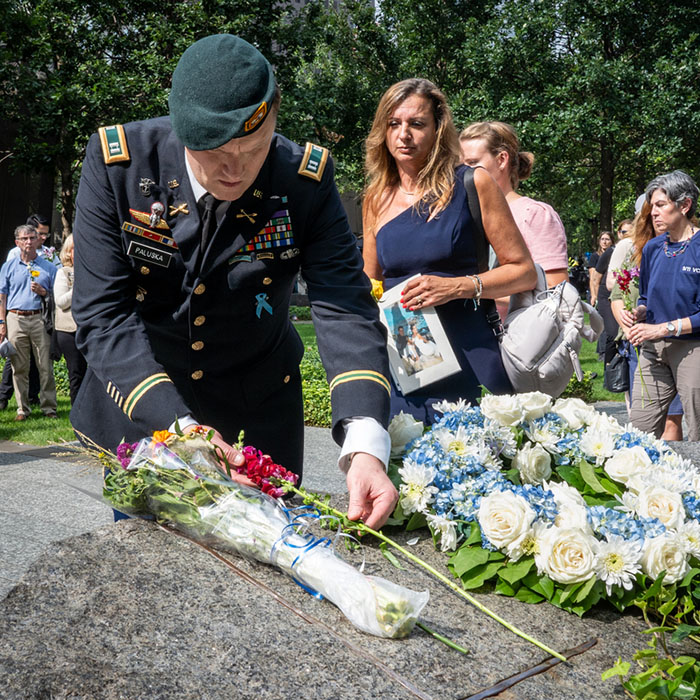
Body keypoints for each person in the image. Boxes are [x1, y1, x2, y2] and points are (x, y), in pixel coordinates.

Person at [71, 34, 396, 530]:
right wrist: (179, 429)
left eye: (254, 146)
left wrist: (365, 440)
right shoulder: (120, 163)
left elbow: (344, 305)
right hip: (151, 410)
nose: (236, 168)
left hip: (257, 411)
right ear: (182, 132)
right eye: (216, 151)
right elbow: (103, 313)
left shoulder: (304, 178)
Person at [362, 78, 536, 424]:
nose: (403, 135)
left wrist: (456, 286)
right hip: (408, 362)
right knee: (407, 471)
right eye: (393, 124)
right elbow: (369, 283)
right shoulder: (375, 198)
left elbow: (523, 271)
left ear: (439, 129)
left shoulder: (473, 182)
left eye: (416, 124)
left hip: (470, 354)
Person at [459, 121, 567, 318]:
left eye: (473, 163)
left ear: (502, 160)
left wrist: (468, 290)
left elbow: (555, 293)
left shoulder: (534, 214)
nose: (463, 173)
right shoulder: (460, 215)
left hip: (516, 341)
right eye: (460, 165)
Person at [625, 170, 700, 440]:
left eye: (660, 205)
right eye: (651, 206)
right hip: (653, 350)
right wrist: (640, 311)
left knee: (697, 431)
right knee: (639, 429)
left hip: (693, 348)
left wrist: (663, 329)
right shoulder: (653, 248)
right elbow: (645, 296)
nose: (653, 212)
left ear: (685, 205)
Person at [610, 202, 683, 440]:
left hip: (679, 342)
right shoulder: (638, 254)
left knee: (673, 419)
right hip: (640, 346)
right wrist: (625, 323)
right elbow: (617, 295)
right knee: (642, 420)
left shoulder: (688, 250)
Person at [0, 224, 58, 420]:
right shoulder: (8, 267)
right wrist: (2, 323)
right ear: (17, 242)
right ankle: (22, 409)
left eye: (32, 238)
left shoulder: (48, 267)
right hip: (15, 317)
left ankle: (49, 407)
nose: (29, 242)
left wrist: (44, 292)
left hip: (39, 318)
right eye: (24, 239)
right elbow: (2, 297)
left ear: (38, 241)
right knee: (19, 366)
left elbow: (57, 296)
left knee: (45, 365)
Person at [53, 235, 86, 405]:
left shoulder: (92, 272)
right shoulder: (63, 273)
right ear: (68, 252)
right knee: (76, 372)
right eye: (75, 248)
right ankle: (77, 412)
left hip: (89, 329)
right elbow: (61, 302)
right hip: (69, 331)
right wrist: (79, 287)